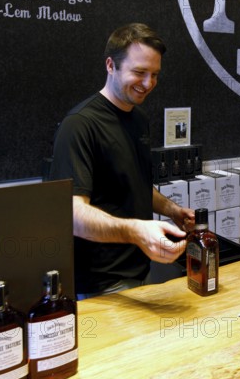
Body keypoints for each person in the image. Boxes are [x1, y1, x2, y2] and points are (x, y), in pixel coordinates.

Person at [50, 23, 195, 299]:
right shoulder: (79, 125)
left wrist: (173, 210)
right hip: (101, 285)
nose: (148, 84)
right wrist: (136, 231)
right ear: (110, 65)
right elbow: (73, 214)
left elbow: (134, 183)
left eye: (155, 75)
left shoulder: (139, 120)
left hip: (141, 269)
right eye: (139, 72)